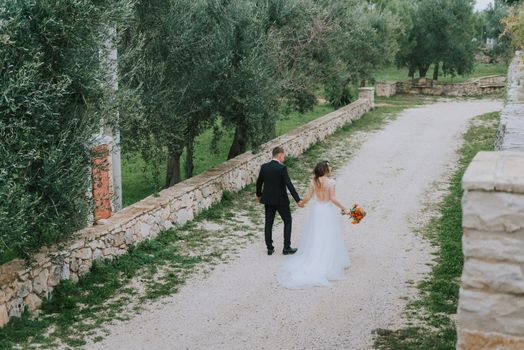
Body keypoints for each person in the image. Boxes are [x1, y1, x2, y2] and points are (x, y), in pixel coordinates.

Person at [277, 160, 351, 289]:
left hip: (317, 210)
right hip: (327, 210)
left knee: (316, 234)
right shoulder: (331, 182)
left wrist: (301, 203)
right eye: (329, 167)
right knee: (329, 234)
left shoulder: (314, 182)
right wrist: (344, 208)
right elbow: (332, 198)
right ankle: (328, 260)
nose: (331, 168)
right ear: (325, 170)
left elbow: (308, 197)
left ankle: (314, 257)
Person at [256, 146, 304, 256]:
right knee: (287, 221)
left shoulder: (264, 167)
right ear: (280, 155)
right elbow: (289, 184)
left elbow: (259, 183)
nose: (284, 157)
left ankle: (269, 248)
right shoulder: (282, 168)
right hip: (281, 200)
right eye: (284, 155)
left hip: (268, 200)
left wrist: (259, 195)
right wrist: (298, 200)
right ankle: (286, 247)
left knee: (269, 223)